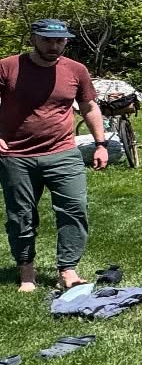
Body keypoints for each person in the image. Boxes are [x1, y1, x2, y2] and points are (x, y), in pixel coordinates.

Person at [0, 19, 109, 294]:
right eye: (47, 39)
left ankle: (68, 270)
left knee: (74, 210)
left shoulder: (75, 70)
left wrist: (100, 143)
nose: (54, 45)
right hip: (16, 155)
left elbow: (89, 106)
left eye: (59, 41)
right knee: (21, 216)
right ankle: (26, 271)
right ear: (33, 39)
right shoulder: (8, 66)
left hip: (63, 153)